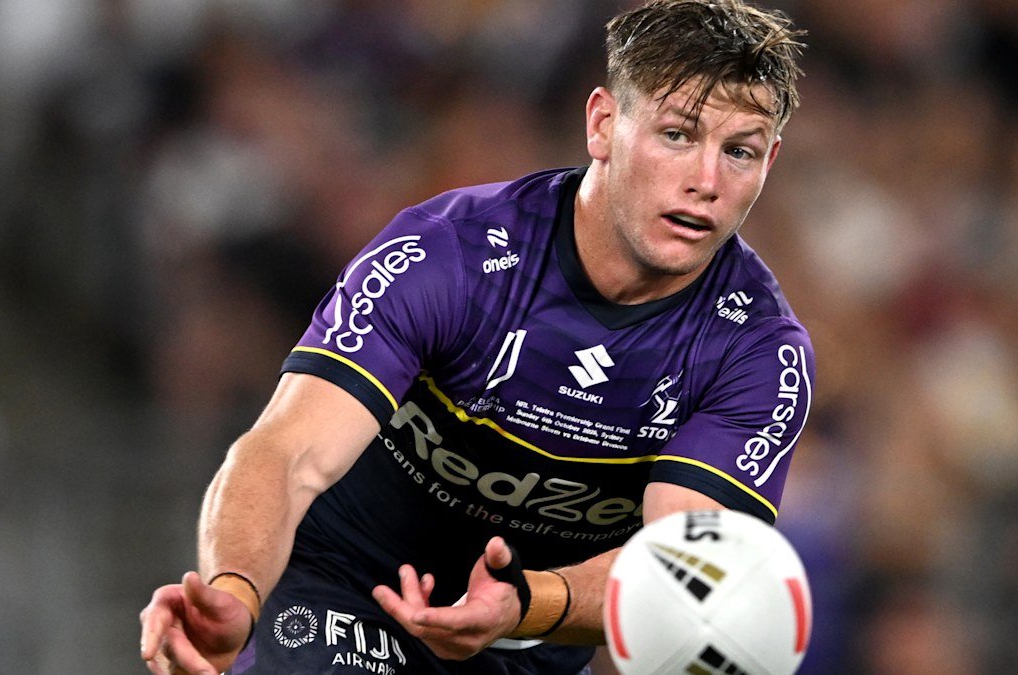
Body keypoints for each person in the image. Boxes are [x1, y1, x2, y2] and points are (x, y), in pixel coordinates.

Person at [140, 1, 811, 673]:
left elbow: (676, 577)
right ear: (603, 124)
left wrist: (525, 603)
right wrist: (234, 592)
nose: (706, 182)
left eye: (740, 152)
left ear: (771, 160)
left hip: (525, 641)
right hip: (345, 590)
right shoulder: (449, 258)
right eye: (677, 135)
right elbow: (286, 453)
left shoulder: (758, 353)